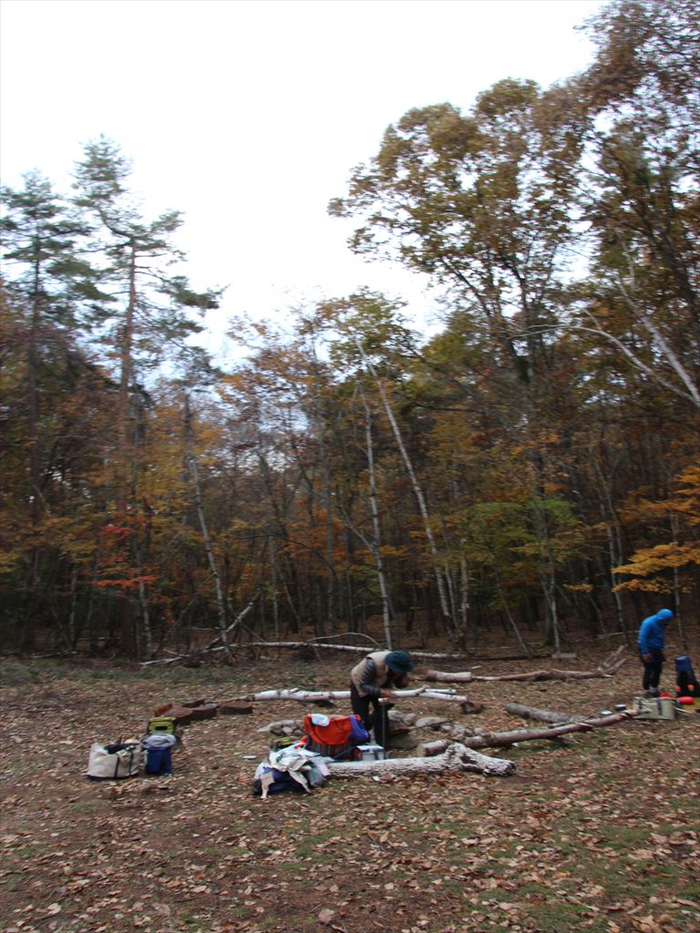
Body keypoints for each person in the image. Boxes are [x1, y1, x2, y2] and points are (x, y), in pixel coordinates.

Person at [350, 649, 414, 748]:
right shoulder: (372, 663)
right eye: (398, 670)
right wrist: (381, 692)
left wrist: (404, 683)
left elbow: (398, 684)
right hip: (360, 683)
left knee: (382, 714)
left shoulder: (401, 667)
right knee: (361, 717)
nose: (400, 672)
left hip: (381, 684)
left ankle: (383, 744)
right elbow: (364, 685)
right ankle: (362, 745)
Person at [637, 608, 673, 697]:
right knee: (649, 670)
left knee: (658, 669)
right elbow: (642, 638)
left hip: (657, 649)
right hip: (647, 648)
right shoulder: (648, 623)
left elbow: (658, 636)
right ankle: (646, 690)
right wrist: (645, 652)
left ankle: (654, 688)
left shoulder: (662, 625)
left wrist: (662, 646)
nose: (665, 624)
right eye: (664, 622)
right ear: (661, 619)